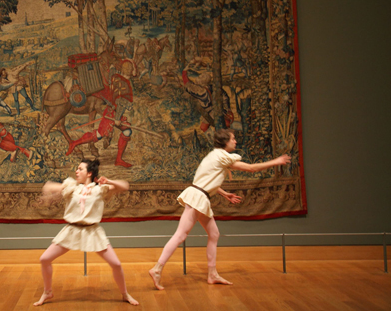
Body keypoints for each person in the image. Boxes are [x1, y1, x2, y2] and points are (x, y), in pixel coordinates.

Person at [148, 129, 291, 289]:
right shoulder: (221, 156)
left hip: (200, 197)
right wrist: (276, 161)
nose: (235, 141)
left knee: (214, 234)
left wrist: (224, 194)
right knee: (180, 235)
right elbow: (251, 168)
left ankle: (212, 274)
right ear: (225, 142)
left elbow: (208, 180)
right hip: (198, 198)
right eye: (233, 139)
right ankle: (157, 269)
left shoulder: (214, 156)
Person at [34, 159, 138, 306]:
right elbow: (49, 186)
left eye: (80, 169)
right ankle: (47, 292)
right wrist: (53, 191)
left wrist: (109, 181)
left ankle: (125, 294)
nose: (76, 171)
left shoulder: (99, 189)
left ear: (89, 173)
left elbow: (124, 186)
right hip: (72, 231)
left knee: (116, 264)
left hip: (92, 232)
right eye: (77, 169)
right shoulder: (72, 187)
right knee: (44, 259)